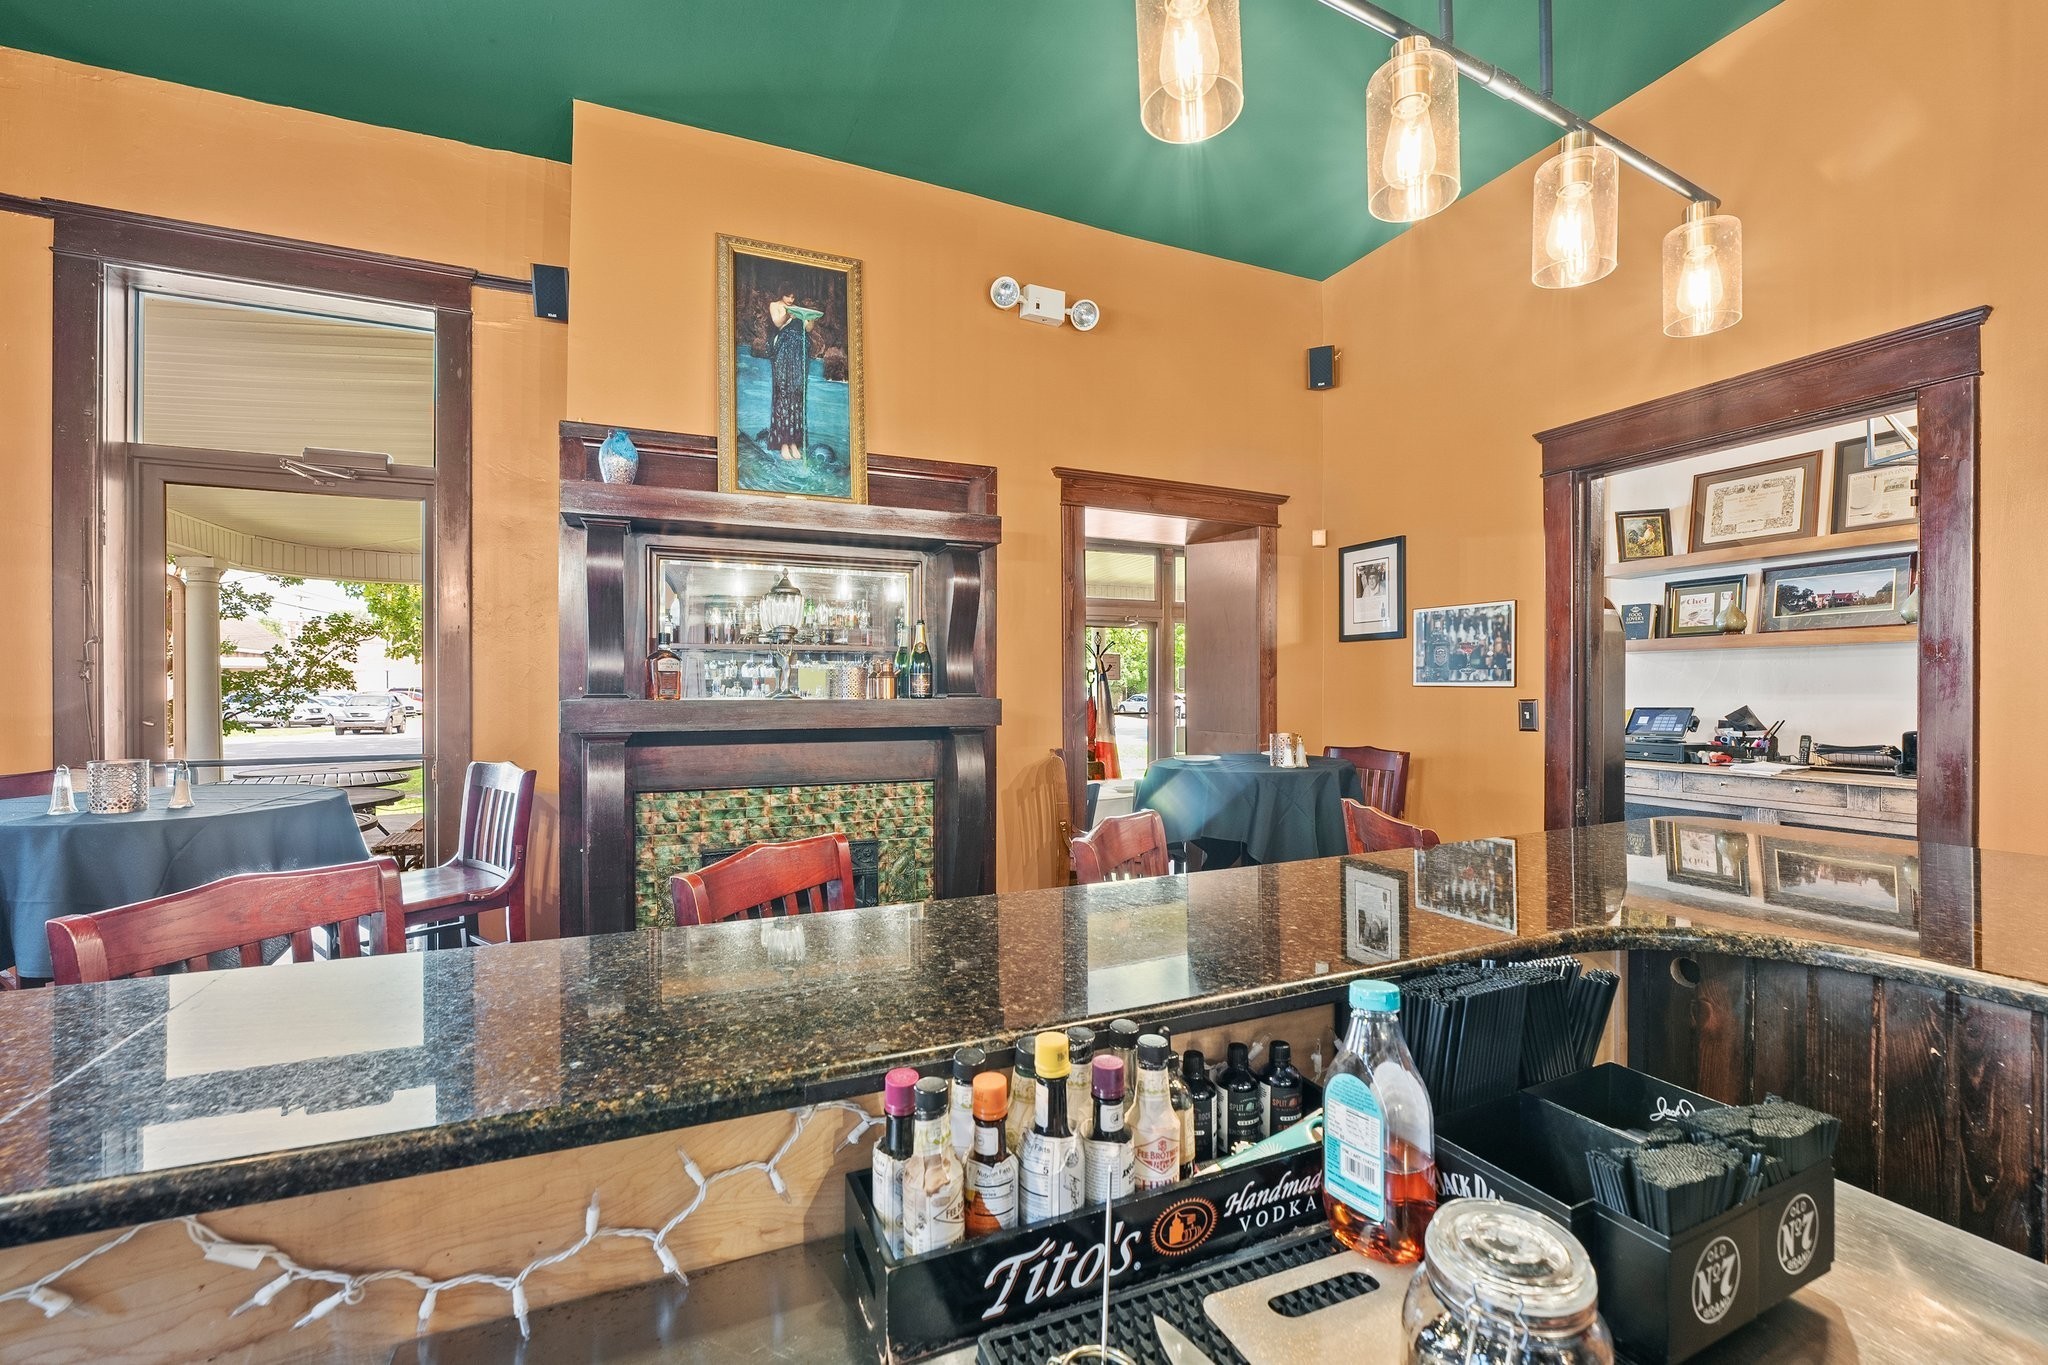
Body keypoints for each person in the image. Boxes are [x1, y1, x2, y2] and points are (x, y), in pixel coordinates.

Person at [767, 289, 816, 461]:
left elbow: (808, 329)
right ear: (782, 294)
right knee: (783, 393)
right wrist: (789, 315)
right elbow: (777, 324)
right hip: (783, 351)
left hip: (799, 353)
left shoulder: (799, 308)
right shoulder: (775, 305)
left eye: (793, 296)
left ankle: (794, 442)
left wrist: (810, 318)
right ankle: (783, 443)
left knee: (797, 395)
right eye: (788, 295)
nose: (790, 299)